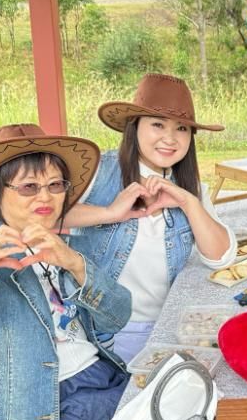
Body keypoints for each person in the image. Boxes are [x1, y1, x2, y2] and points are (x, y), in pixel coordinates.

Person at [0, 124, 132, 420]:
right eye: (29, 186)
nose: (46, 196)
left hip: (101, 389)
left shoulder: (66, 249)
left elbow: (117, 316)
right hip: (28, 419)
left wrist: (75, 264)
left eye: (55, 185)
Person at [67, 74, 237, 361]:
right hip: (106, 330)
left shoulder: (190, 187)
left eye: (181, 128)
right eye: (157, 124)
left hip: (170, 325)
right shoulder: (98, 173)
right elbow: (48, 218)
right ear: (135, 127)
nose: (170, 139)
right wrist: (109, 213)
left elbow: (222, 257)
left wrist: (188, 202)